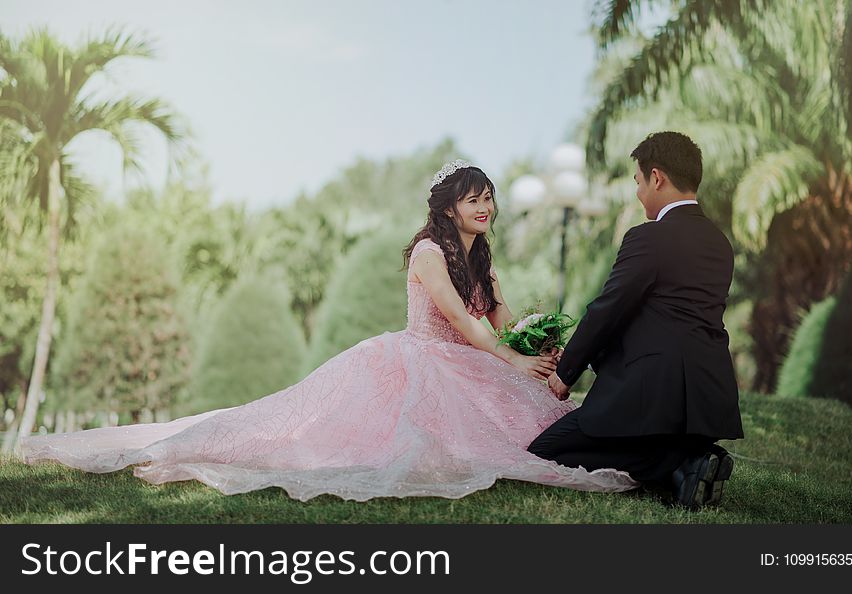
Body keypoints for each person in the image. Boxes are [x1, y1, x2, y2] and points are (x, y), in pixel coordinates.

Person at [20, 160, 638, 501]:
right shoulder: (428, 252)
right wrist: (511, 360)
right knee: (332, 436)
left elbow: (496, 317)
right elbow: (458, 320)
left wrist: (529, 345)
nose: (485, 208)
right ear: (449, 205)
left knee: (536, 419)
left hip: (473, 360)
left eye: (490, 200)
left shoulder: (482, 257)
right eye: (474, 199)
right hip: (424, 360)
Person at [528, 132, 744, 509]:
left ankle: (680, 462)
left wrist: (566, 374)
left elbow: (609, 309)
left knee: (545, 449)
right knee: (649, 445)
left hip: (649, 397)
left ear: (657, 177)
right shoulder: (720, 243)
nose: (639, 193)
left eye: (639, 182)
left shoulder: (650, 238)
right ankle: (688, 460)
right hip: (706, 401)